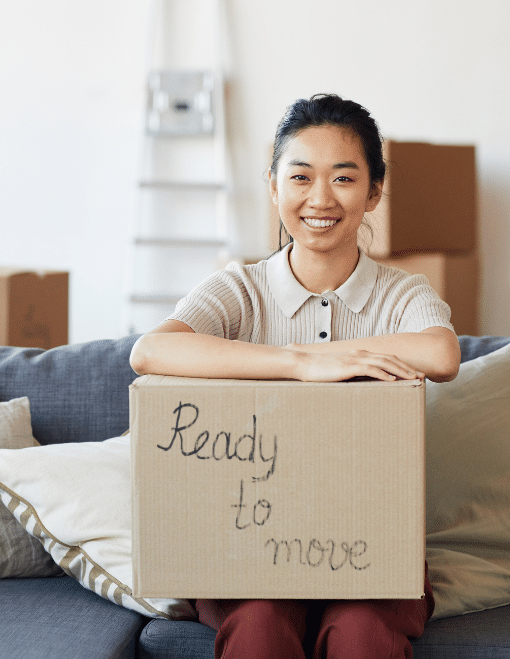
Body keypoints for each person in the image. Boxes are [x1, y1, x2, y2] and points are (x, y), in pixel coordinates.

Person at [129, 93, 460, 659]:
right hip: (250, 544)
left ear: (375, 191)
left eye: (344, 179)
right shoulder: (241, 290)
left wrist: (346, 352)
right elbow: (150, 350)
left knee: (362, 634)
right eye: (301, 177)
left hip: (370, 542)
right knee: (259, 624)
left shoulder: (403, 293)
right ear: (275, 185)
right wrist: (304, 363)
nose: (320, 199)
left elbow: (441, 354)